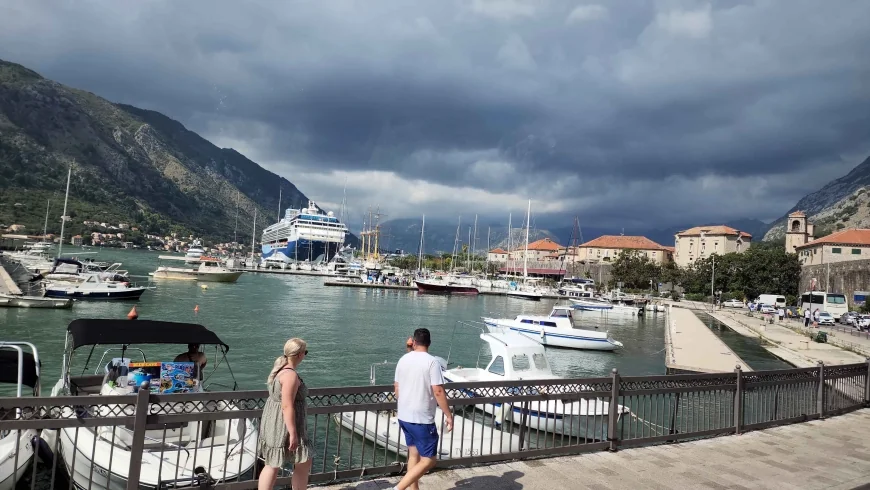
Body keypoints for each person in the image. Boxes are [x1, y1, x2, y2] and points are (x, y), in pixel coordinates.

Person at [392, 329, 453, 490]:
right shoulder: (432, 362)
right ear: (429, 343)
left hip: (404, 415)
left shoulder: (403, 360)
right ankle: (397, 489)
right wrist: (448, 415)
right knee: (429, 460)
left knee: (414, 454)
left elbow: (397, 388)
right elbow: (438, 391)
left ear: (414, 342)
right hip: (421, 418)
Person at [258, 339, 313, 490]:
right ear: (300, 354)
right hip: (286, 424)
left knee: (272, 463)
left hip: (274, 421)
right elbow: (287, 405)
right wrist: (293, 433)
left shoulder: (280, 370)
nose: (305, 355)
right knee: (303, 462)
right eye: (305, 352)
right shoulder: (290, 375)